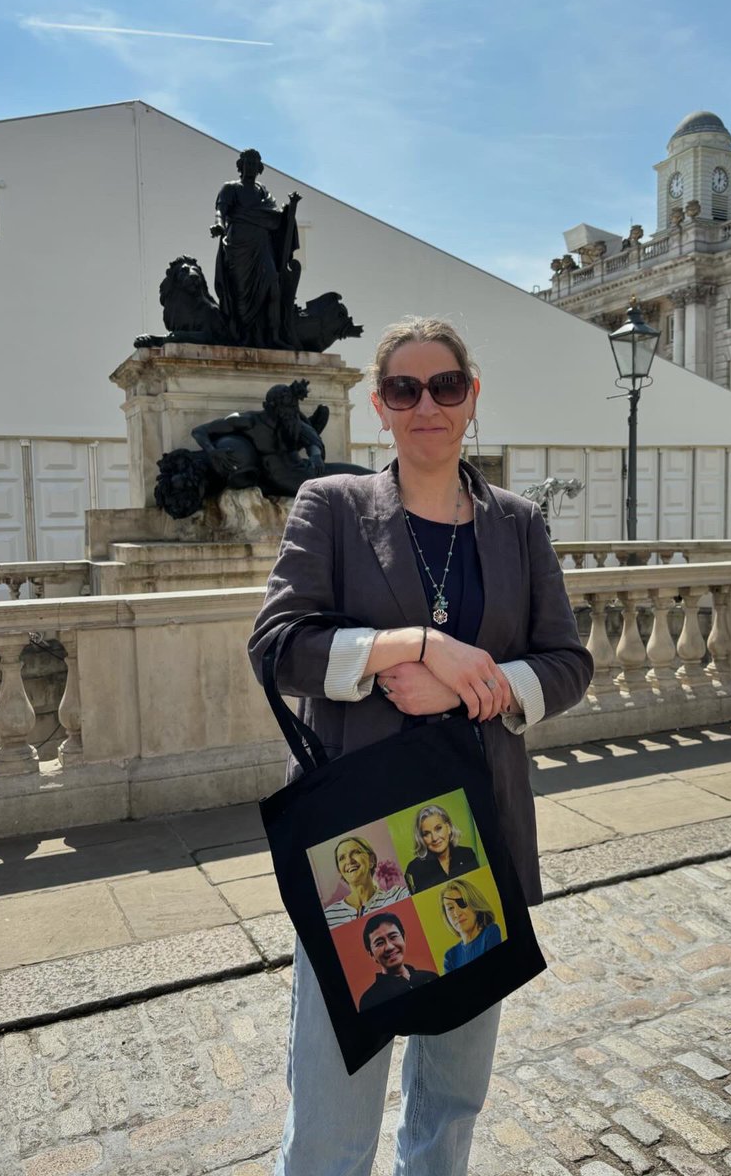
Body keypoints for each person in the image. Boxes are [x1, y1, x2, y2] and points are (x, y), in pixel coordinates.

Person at [248, 316, 592, 1176]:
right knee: (333, 1109)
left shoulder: (517, 524)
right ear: (380, 406)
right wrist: (414, 648)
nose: (426, 404)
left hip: (476, 847)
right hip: (356, 851)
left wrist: (478, 685)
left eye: (445, 386)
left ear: (472, 398)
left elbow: (568, 663)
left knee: (451, 1102)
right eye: (405, 389)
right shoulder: (331, 506)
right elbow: (278, 645)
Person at [211, 147, 300, 348]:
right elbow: (220, 211)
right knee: (241, 297)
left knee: (273, 288)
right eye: (247, 162)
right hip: (238, 248)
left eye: (254, 163)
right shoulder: (230, 188)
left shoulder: (263, 191)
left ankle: (275, 336)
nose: (250, 166)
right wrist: (219, 225)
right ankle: (240, 335)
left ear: (259, 168)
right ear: (240, 166)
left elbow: (275, 217)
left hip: (262, 246)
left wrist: (290, 208)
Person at [357, 913, 438, 1011]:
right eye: (379, 943)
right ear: (371, 954)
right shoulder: (369, 1000)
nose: (389, 947)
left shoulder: (430, 977)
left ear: (404, 938)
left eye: (393, 937)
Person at [324, 835, 409, 928]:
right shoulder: (328, 916)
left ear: (371, 860)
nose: (349, 860)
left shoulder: (397, 896)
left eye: (356, 852)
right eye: (341, 858)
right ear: (340, 870)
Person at [403, 804, 479, 894]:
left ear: (448, 828)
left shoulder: (467, 854)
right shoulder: (414, 869)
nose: (434, 838)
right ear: (421, 839)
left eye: (438, 828)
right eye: (426, 833)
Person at [440, 879, 502, 972]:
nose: (457, 914)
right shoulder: (450, 957)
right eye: (450, 908)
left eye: (462, 903)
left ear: (475, 905)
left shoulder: (490, 932)